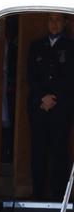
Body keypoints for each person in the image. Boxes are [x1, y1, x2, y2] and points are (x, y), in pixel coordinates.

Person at [28, 13, 74, 199]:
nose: (54, 24)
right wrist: (42, 98)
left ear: (65, 22)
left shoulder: (71, 46)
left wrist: (54, 98)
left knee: (59, 151)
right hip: (39, 107)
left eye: (58, 20)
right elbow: (31, 76)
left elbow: (70, 78)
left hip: (61, 107)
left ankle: (58, 196)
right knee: (38, 150)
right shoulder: (36, 46)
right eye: (51, 20)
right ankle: (37, 193)